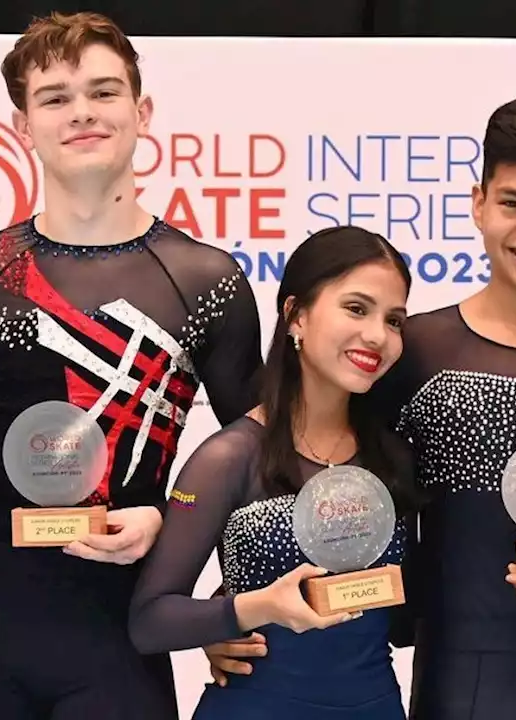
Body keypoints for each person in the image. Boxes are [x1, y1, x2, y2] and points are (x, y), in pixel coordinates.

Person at [196, 96, 516, 717]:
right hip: (455, 684)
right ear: (479, 203)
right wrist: (229, 606)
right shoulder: (416, 350)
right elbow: (315, 479)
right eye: (512, 203)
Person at [0, 12, 261, 720]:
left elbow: (263, 462)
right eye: (56, 97)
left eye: (103, 93)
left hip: (120, 633)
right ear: (21, 125)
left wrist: (222, 598)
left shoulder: (205, 279)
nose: (81, 113)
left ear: (142, 112)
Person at [130, 225, 419, 719]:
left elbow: (402, 624)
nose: (377, 334)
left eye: (394, 320)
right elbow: (150, 621)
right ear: (295, 315)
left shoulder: (392, 457)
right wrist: (248, 610)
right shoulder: (229, 457)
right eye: (356, 308)